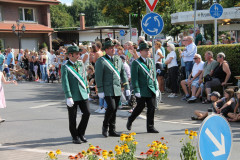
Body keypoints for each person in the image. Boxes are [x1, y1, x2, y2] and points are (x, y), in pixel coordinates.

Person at [95, 40, 130, 137]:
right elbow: (98, 76)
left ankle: (112, 130)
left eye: (113, 48)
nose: (113, 49)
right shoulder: (101, 61)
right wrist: (100, 90)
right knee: (111, 107)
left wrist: (126, 86)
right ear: (106, 50)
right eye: (110, 48)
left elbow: (123, 73)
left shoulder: (118, 59)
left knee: (114, 110)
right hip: (107, 89)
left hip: (117, 88)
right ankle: (105, 126)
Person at [126, 41, 159, 133]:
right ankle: (130, 119)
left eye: (148, 50)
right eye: (145, 50)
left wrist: (156, 88)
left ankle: (150, 127)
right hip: (142, 89)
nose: (147, 52)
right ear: (140, 52)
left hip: (151, 88)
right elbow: (135, 78)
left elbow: (154, 76)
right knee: (140, 107)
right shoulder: (136, 63)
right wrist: (136, 90)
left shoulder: (151, 61)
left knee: (151, 108)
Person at [61, 46, 90, 144]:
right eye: (77, 53)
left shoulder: (80, 63)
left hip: (82, 93)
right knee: (72, 117)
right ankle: (74, 136)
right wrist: (68, 96)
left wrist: (87, 89)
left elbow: (84, 77)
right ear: (70, 55)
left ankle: (81, 133)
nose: (79, 55)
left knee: (87, 113)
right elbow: (65, 82)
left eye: (79, 53)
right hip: (72, 95)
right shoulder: (65, 66)